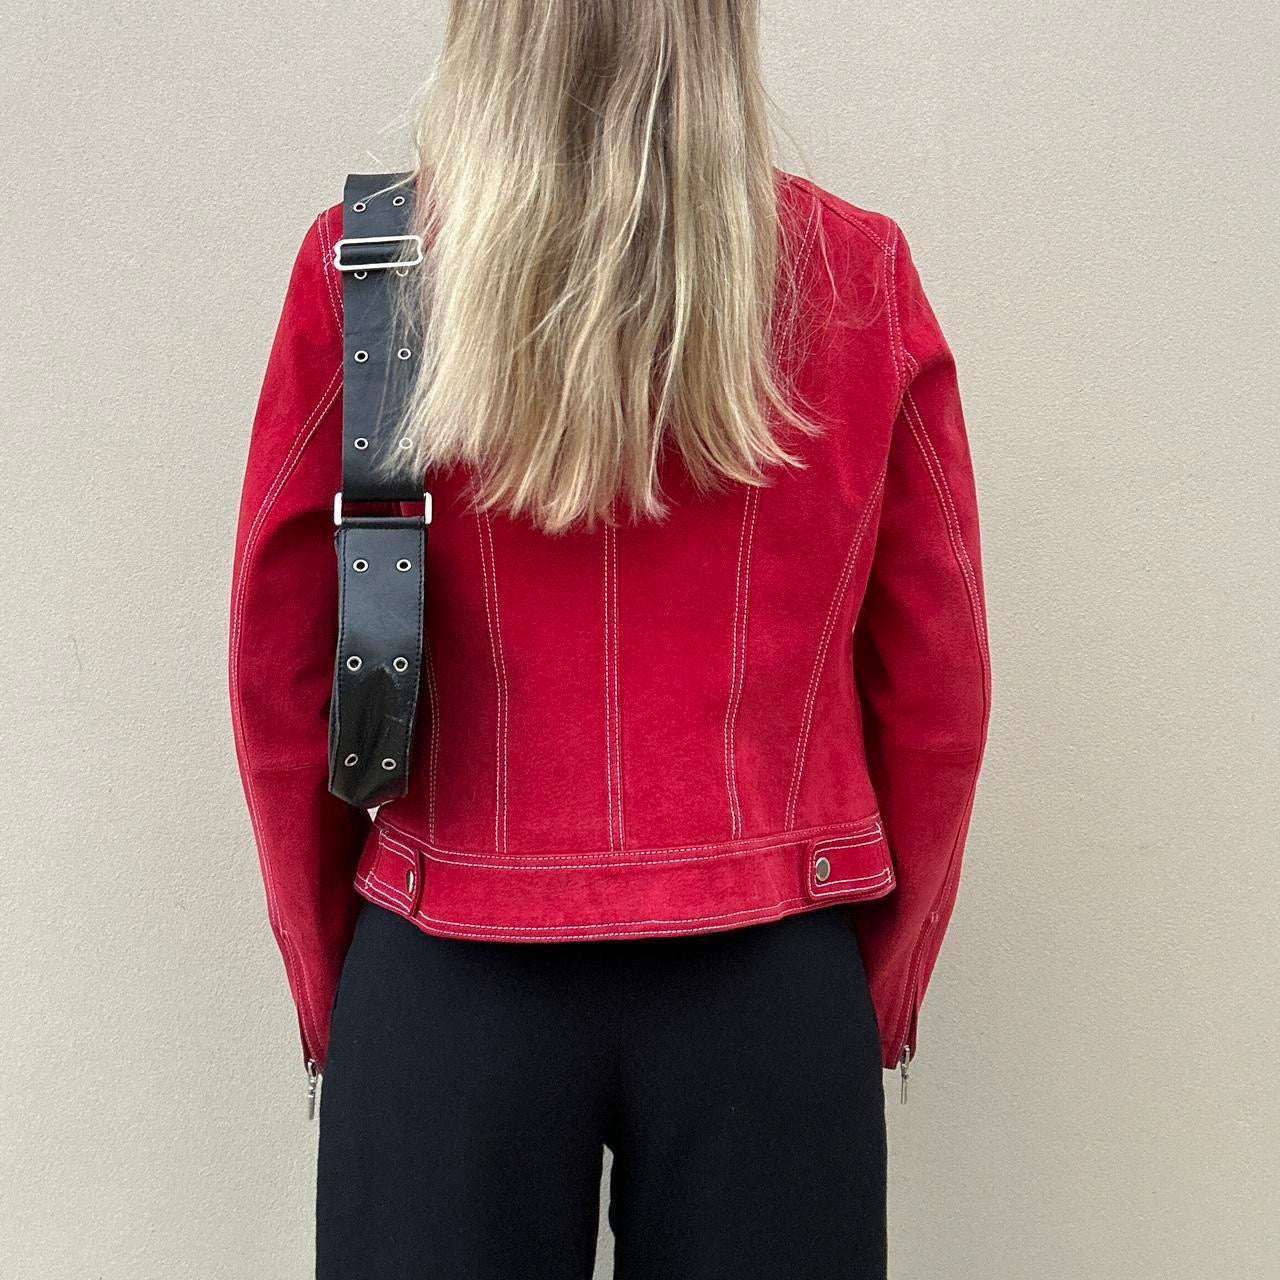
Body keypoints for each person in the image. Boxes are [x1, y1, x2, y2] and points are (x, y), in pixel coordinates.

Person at [228, 2, 990, 1276]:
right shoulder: (859, 273)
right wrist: (874, 978)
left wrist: (331, 976)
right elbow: (937, 690)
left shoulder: (366, 270)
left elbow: (281, 672)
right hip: (773, 974)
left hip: (443, 964)